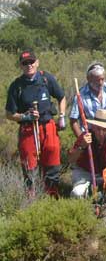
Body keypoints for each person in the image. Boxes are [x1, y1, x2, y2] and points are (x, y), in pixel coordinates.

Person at [5, 50, 66, 196]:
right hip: (28, 130)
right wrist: (25, 117)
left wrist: (62, 116)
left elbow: (61, 97)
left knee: (52, 162)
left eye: (31, 62)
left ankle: (52, 196)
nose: (29, 65)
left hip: (48, 126)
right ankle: (31, 199)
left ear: (37, 62)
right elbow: (9, 114)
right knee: (29, 165)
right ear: (21, 66)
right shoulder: (17, 86)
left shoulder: (46, 79)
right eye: (25, 63)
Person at [70, 61, 106, 137]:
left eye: (102, 79)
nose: (100, 83)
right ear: (89, 79)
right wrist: (82, 140)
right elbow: (73, 121)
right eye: (97, 80)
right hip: (93, 138)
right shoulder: (81, 95)